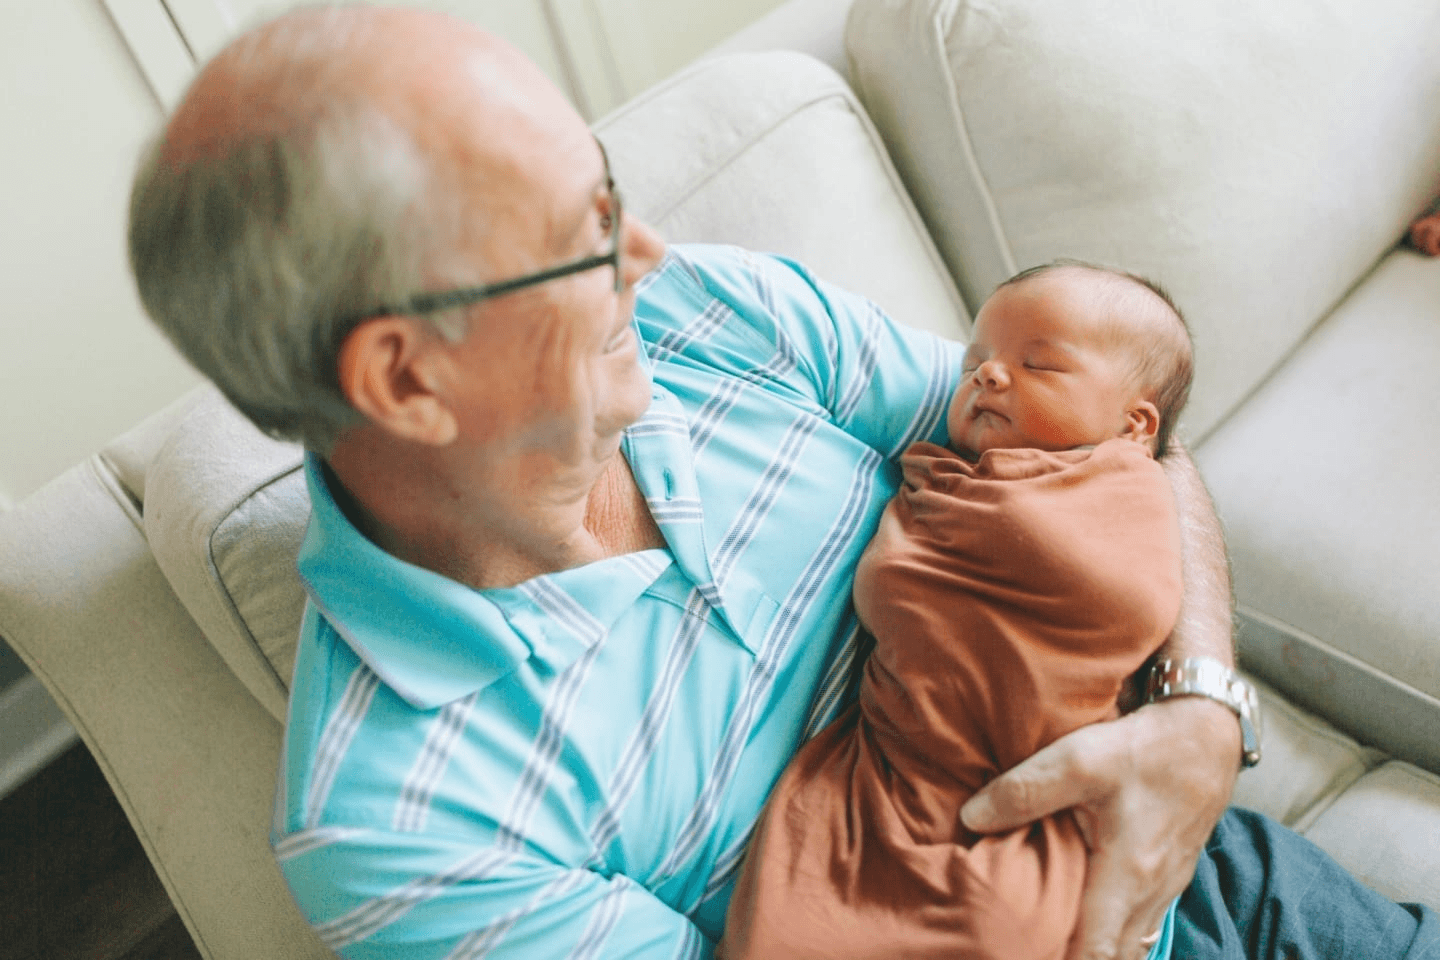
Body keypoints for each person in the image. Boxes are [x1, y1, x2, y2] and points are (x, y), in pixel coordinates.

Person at [124, 6, 1439, 960]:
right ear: (406, 379)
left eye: (611, 191)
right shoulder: (407, 825)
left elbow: (1121, 448)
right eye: (577, 233)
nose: (645, 247)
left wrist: (1204, 714)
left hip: (1213, 875)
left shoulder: (718, 313)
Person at [720, 261, 1193, 960]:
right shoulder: (946, 476)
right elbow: (906, 586)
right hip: (897, 766)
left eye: (1041, 366)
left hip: (1034, 779)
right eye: (976, 363)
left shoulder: (1126, 491)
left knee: (1006, 916)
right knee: (805, 901)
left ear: (1134, 426)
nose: (988, 377)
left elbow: (1121, 596)